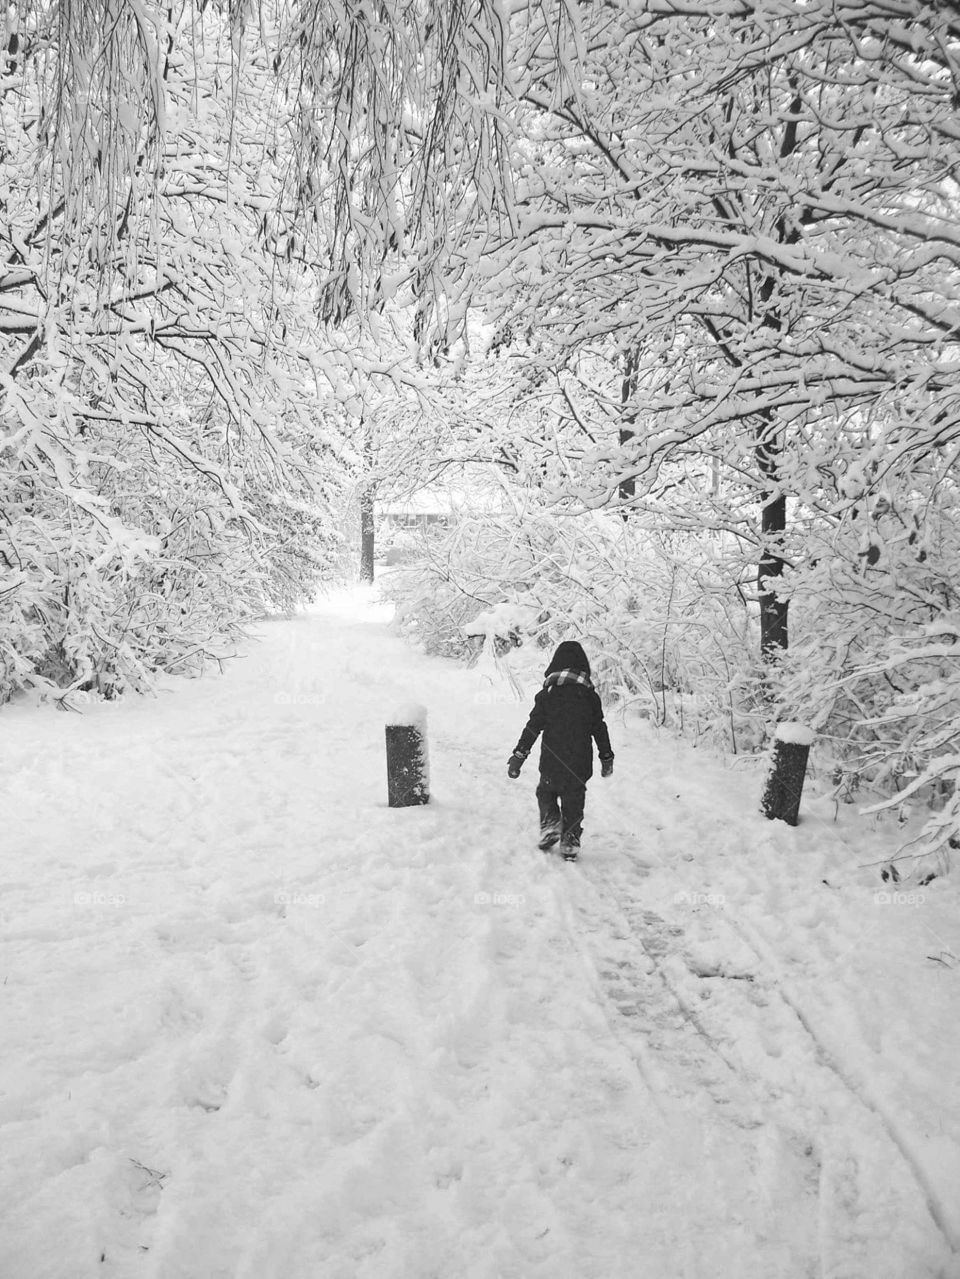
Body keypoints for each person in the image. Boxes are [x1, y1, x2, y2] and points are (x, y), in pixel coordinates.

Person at [507, 640, 614, 860]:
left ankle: (550, 822)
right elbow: (599, 729)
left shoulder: (549, 694)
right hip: (580, 764)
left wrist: (519, 755)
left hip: (552, 761)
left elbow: (533, 727)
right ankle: (570, 840)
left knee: (546, 792)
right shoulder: (589, 697)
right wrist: (606, 756)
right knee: (574, 798)